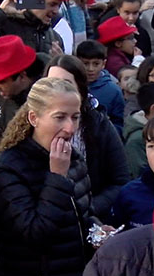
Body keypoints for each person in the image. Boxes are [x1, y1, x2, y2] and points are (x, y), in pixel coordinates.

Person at [0, 77, 93, 276]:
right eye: (60, 117)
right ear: (34, 119)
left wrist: (95, 229)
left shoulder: (73, 159)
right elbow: (34, 233)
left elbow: (79, 214)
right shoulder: (10, 168)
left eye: (75, 117)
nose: (69, 128)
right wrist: (56, 177)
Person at [44, 55, 131, 220]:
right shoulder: (31, 125)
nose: (57, 91)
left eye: (65, 85)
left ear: (80, 89)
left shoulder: (99, 124)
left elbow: (120, 180)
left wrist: (89, 209)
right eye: (50, 84)